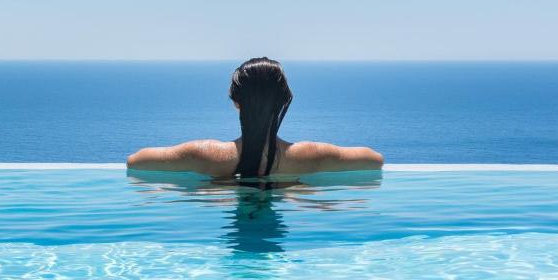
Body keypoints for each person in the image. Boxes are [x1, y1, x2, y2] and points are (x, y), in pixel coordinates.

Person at [127, 57, 383, 178]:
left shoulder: (206, 154)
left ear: (236, 103)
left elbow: (135, 161)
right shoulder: (308, 156)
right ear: (283, 101)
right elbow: (375, 160)